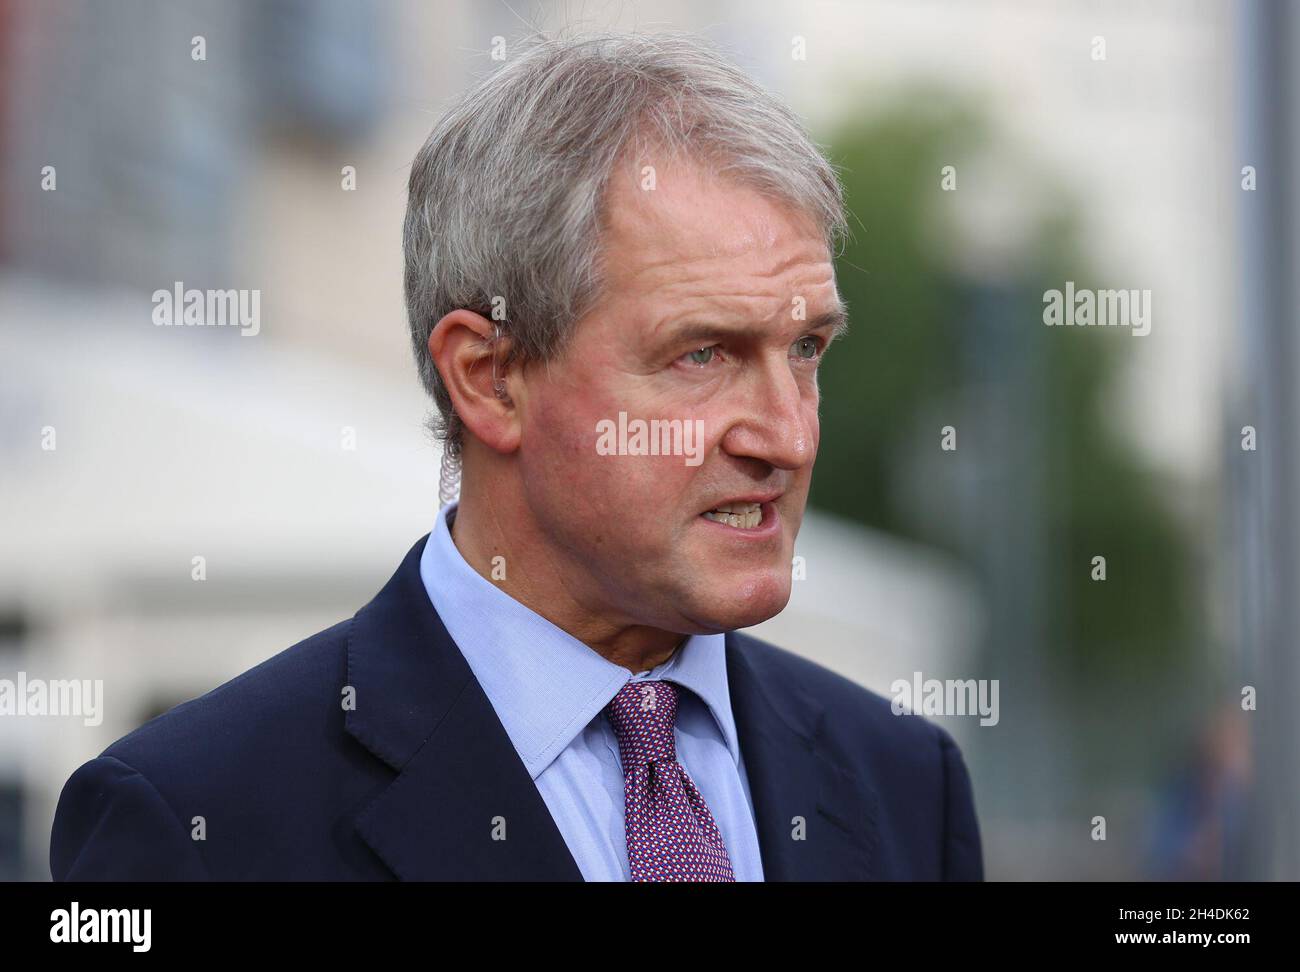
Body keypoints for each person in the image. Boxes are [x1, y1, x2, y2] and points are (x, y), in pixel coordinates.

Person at [50, 30, 983, 882]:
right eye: (704, 355)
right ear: (490, 378)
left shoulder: (904, 783)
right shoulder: (196, 821)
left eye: (807, 350)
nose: (788, 435)